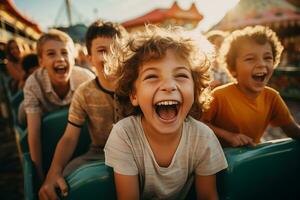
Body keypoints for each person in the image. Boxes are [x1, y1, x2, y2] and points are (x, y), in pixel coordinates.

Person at [104, 25, 228, 200]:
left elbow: (208, 196)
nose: (169, 86)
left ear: (195, 89)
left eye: (181, 75)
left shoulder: (203, 137)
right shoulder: (124, 135)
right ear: (134, 95)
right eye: (152, 76)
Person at [39, 20, 127, 200]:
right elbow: (69, 137)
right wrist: (53, 172)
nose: (110, 56)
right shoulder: (84, 92)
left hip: (135, 151)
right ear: (90, 58)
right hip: (98, 152)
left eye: (116, 50)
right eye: (102, 51)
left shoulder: (136, 87)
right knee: (66, 179)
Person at [202, 25, 300, 147]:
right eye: (250, 59)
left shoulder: (272, 97)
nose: (261, 64)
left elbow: (292, 129)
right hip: (219, 160)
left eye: (267, 57)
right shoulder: (219, 95)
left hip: (250, 160)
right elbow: (198, 124)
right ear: (233, 69)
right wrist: (229, 136)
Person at [20, 29, 95, 182]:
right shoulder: (33, 83)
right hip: (36, 113)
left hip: (70, 123)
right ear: (41, 62)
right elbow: (34, 134)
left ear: (73, 58)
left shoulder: (85, 78)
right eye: (51, 54)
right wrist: (40, 177)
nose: (60, 58)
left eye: (64, 52)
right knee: (23, 118)